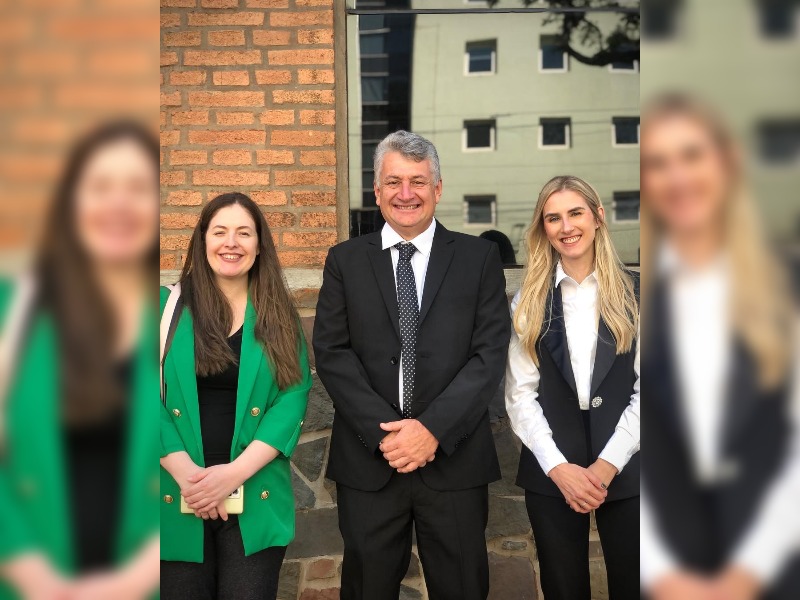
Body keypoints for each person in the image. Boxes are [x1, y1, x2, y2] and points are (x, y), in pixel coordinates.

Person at [313, 130, 510, 600]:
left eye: (418, 181)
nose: (406, 193)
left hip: (454, 460)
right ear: (376, 190)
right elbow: (333, 353)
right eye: (394, 181)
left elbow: (488, 355)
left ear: (437, 189)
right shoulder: (344, 261)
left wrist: (431, 430)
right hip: (371, 461)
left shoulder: (478, 258)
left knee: (462, 587)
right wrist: (388, 435)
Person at [640, 94, 800, 600]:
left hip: (777, 566)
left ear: (729, 161)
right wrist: (663, 574)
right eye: (658, 163)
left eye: (692, 155)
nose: (677, 178)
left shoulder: (787, 284)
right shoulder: (637, 298)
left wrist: (748, 572)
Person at [0, 121, 161, 599]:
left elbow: (197, 452)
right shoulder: (14, 309)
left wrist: (131, 582)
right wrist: (30, 571)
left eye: (138, 188)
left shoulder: (176, 315)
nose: (119, 204)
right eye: (101, 186)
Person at [159, 193, 311, 600]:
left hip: (253, 491)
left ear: (259, 245)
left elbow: (294, 394)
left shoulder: (279, 312)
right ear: (202, 240)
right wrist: (192, 480)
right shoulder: (163, 308)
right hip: (175, 492)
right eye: (220, 232)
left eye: (244, 233)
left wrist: (231, 475)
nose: (231, 243)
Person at [505, 175, 640, 600]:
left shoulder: (638, 294)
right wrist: (558, 468)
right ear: (543, 228)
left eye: (576, 213)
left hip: (630, 458)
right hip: (552, 464)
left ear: (598, 217)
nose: (566, 227)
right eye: (553, 218)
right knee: (563, 587)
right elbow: (519, 394)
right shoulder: (528, 299)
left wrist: (607, 464)